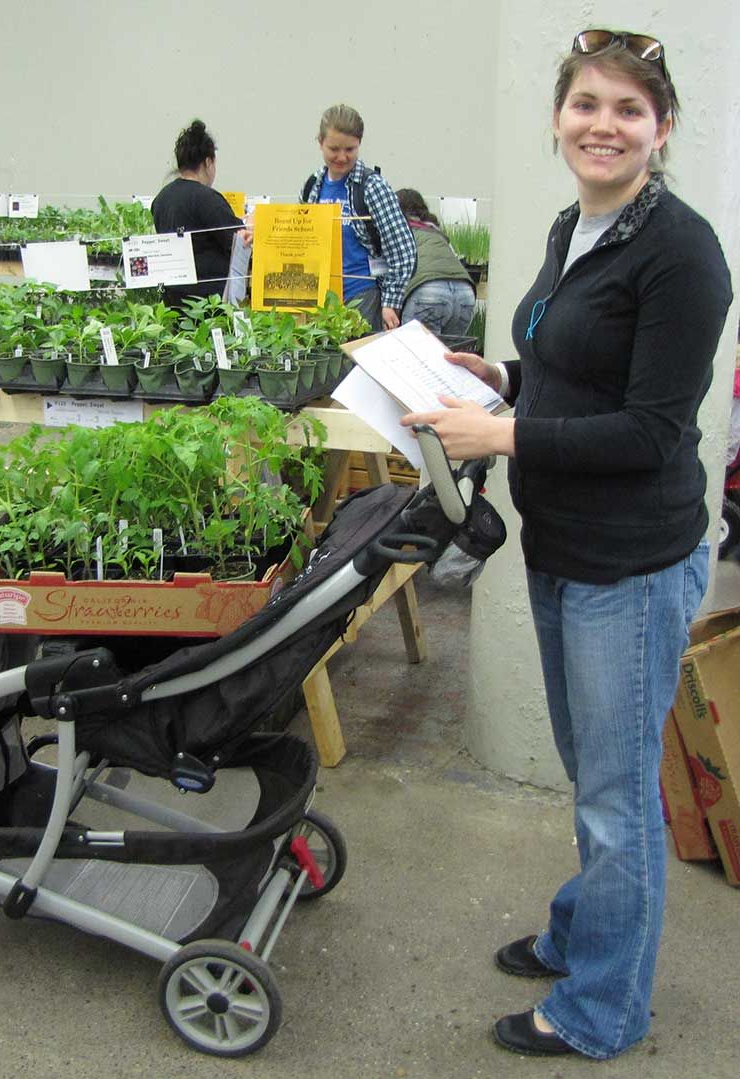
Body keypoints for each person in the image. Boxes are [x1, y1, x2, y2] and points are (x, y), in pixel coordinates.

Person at [399, 29, 732, 1060]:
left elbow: (648, 429)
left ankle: (602, 1008)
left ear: (659, 130)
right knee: (599, 767)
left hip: (629, 562)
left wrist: (500, 434)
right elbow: (571, 362)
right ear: (557, 118)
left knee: (617, 794)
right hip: (564, 543)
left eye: (628, 110)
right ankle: (583, 930)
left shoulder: (682, 254)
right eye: (587, 103)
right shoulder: (574, 226)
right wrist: (501, 375)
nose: (603, 124)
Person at [301, 104, 416, 333]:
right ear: (320, 143)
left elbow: (403, 250)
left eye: (350, 149)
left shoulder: (372, 186)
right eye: (334, 149)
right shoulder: (313, 186)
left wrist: (390, 303)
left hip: (363, 296)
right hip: (321, 302)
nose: (342, 157)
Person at [150, 120, 244, 308]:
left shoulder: (161, 199)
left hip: (173, 302)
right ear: (208, 162)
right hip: (207, 306)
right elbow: (237, 239)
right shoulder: (207, 198)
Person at [394, 188, 477, 339]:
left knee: (417, 358)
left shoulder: (399, 231)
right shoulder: (437, 232)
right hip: (465, 294)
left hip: (427, 291)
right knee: (449, 358)